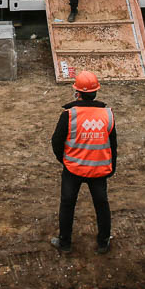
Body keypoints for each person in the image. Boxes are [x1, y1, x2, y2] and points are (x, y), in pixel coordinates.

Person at [50, 70, 116, 255]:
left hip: (73, 169)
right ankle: (103, 242)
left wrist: (64, 160)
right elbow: (113, 144)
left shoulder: (69, 115)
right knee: (102, 204)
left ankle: (65, 243)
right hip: (99, 170)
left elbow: (56, 141)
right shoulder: (107, 115)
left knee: (67, 204)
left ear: (77, 93)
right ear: (96, 92)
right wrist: (111, 168)